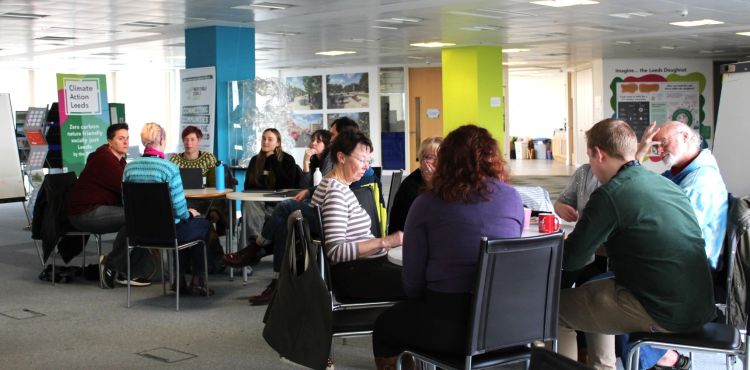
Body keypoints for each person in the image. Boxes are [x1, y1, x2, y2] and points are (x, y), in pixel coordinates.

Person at [558, 118, 715, 370]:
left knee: (553, 311)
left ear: (599, 154)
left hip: (661, 309)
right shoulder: (663, 184)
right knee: (593, 290)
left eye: (589, 156)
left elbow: (571, 259)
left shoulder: (610, 194)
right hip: (697, 303)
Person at [372, 125, 524, 370]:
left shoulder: (426, 204)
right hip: (504, 326)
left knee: (385, 327)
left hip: (446, 327)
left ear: (446, 160)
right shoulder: (512, 198)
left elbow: (412, 283)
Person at [619, 121, 730, 370]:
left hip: (690, 271)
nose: (659, 151)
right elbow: (639, 188)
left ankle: (659, 358)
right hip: (675, 260)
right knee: (605, 278)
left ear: (685, 137)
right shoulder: (681, 170)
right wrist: (639, 153)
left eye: (663, 143)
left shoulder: (701, 181)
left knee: (618, 290)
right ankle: (654, 356)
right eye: (655, 145)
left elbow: (673, 233)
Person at [311, 130, 404, 301]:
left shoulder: (333, 184)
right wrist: (384, 242)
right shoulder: (336, 192)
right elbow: (335, 251)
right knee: (421, 280)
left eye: (369, 161)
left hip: (360, 268)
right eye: (361, 160)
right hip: (355, 275)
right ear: (341, 157)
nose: (367, 166)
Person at [123, 122, 213, 295]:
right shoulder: (169, 168)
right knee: (201, 224)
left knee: (187, 226)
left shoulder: (129, 167)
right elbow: (180, 210)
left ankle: (179, 281)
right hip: (168, 232)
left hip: (139, 232)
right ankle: (197, 279)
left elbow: (126, 203)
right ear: (162, 140)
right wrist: (189, 213)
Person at [67, 123, 151, 288]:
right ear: (110, 141)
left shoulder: (117, 159)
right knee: (137, 218)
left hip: (97, 209)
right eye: (121, 139)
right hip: (85, 213)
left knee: (141, 217)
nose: (126, 142)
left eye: (127, 138)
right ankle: (113, 266)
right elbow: (127, 188)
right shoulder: (105, 160)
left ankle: (126, 270)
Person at [241, 128, 298, 243]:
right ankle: (256, 241)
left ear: (278, 143)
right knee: (248, 203)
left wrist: (273, 159)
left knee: (250, 207)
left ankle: (255, 245)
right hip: (258, 205)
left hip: (278, 205)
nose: (265, 142)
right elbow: (248, 186)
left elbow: (287, 185)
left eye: (270, 139)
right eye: (263, 138)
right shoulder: (255, 160)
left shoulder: (288, 160)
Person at [387, 136, 442, 234]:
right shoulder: (411, 185)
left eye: (441, 157)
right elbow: (431, 216)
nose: (437, 162)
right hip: (406, 240)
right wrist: (432, 183)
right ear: (421, 160)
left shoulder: (444, 180)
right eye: (430, 157)